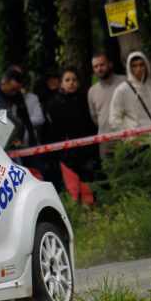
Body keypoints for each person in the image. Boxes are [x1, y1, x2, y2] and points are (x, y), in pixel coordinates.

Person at [42, 68, 99, 202]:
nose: (71, 83)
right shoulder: (53, 104)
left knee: (88, 188)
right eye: (67, 80)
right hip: (66, 155)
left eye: (74, 80)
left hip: (87, 152)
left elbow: (91, 125)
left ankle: (92, 213)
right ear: (61, 83)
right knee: (73, 190)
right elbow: (52, 132)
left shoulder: (85, 99)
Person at [109, 51, 151, 134]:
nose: (138, 69)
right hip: (137, 141)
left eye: (141, 65)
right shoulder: (122, 90)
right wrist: (129, 138)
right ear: (129, 68)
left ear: (146, 65)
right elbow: (114, 119)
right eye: (134, 66)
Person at [0, 67, 38, 148]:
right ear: (4, 82)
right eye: (13, 89)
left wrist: (31, 138)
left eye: (17, 90)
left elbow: (25, 118)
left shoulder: (17, 95)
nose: (15, 93)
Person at [87, 53, 126, 157]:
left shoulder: (125, 82)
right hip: (105, 140)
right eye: (96, 66)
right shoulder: (92, 91)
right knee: (109, 172)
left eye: (102, 65)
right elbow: (94, 117)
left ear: (110, 64)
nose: (99, 69)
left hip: (126, 137)